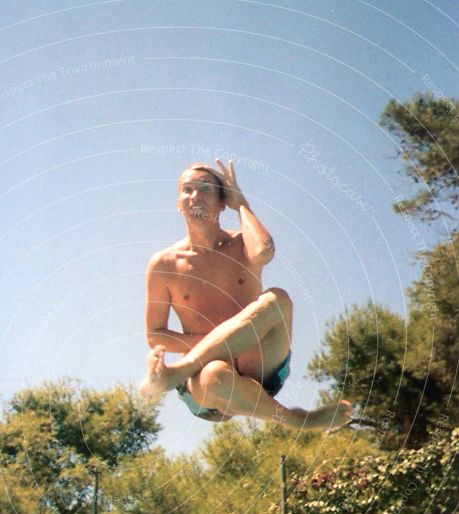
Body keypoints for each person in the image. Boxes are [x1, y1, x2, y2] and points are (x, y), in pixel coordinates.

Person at [139, 160, 353, 429]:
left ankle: (177, 372)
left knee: (277, 298)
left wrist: (240, 202)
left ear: (221, 202)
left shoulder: (242, 244)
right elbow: (155, 335)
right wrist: (215, 347)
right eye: (187, 190)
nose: (195, 196)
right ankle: (296, 419)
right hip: (205, 382)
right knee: (216, 372)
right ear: (179, 204)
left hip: (257, 363)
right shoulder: (164, 264)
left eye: (205, 189)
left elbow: (264, 251)